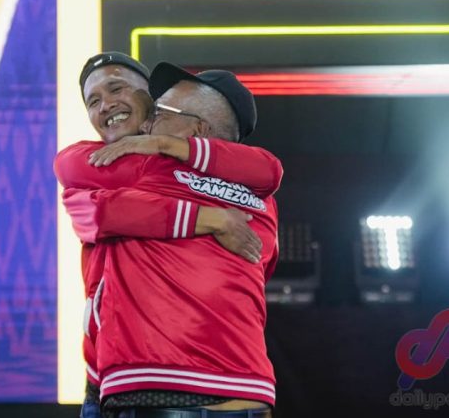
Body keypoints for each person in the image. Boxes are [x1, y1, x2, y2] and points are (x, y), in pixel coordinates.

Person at [56, 57, 282, 417]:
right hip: (250, 388)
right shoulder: (264, 202)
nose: (150, 124)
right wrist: (209, 218)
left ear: (198, 130)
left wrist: (167, 150)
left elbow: (73, 173)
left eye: (160, 112)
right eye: (93, 100)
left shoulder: (145, 166)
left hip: (161, 382)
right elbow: (270, 171)